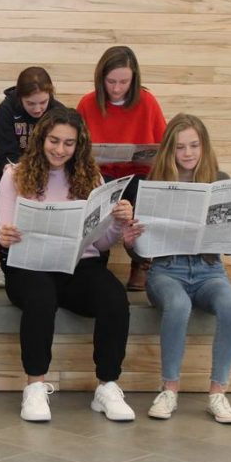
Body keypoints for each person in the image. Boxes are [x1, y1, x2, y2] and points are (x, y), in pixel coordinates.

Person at [122, 114, 231, 424]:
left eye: (194, 145)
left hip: (209, 271)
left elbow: (229, 245)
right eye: (180, 147)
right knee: (178, 305)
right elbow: (139, 248)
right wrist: (129, 239)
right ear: (170, 150)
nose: (188, 153)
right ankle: (169, 389)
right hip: (166, 271)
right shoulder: (154, 184)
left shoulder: (219, 179)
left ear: (204, 146)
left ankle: (218, 392)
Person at [0, 107, 135, 423]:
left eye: (68, 143)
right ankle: (34, 386)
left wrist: (115, 221)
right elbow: (2, 234)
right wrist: (5, 234)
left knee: (114, 297)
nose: (60, 150)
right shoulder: (14, 175)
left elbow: (99, 244)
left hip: (77, 266)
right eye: (54, 140)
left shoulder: (91, 177)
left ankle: (108, 385)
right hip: (29, 266)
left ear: (78, 145)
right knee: (41, 298)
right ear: (41, 138)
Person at [76, 46, 166, 291]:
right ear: (101, 78)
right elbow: (76, 148)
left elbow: (163, 147)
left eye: (124, 82)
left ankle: (141, 261)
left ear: (134, 78)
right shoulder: (87, 103)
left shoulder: (147, 102)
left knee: (144, 190)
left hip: (139, 173)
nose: (116, 88)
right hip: (101, 174)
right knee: (98, 190)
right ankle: (96, 257)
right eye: (111, 81)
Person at [0, 66, 67, 287]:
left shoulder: (57, 112)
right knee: (6, 190)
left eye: (43, 102)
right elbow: (7, 153)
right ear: (20, 98)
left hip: (48, 169)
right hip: (11, 167)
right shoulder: (6, 110)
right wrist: (22, 175)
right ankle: (5, 260)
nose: (38, 109)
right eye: (31, 104)